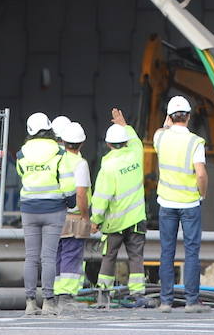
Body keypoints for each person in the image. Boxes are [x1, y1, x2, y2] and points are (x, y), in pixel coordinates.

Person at [18, 111, 77, 315]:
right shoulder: (60, 152)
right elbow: (68, 182)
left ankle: (29, 302)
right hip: (54, 209)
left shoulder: (22, 153)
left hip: (29, 209)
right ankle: (49, 302)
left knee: (31, 256)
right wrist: (70, 201)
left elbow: (21, 174)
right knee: (48, 257)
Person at [153, 95, 208, 313]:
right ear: (188, 116)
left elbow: (161, 130)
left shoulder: (160, 138)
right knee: (191, 252)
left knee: (167, 251)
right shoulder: (195, 142)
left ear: (169, 116)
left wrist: (166, 123)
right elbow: (201, 174)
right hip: (190, 204)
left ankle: (165, 301)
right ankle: (191, 301)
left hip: (166, 202)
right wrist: (201, 194)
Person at [91, 107, 146, 308]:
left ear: (107, 144)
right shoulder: (136, 153)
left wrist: (95, 220)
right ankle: (137, 294)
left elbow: (101, 197)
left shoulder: (108, 166)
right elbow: (136, 140)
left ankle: (104, 294)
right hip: (137, 219)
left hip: (114, 222)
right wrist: (125, 126)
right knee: (136, 257)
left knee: (109, 257)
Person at [51, 120, 92, 311]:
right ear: (82, 143)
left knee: (57, 254)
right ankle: (66, 296)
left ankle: (55, 293)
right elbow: (81, 193)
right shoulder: (80, 163)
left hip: (54, 214)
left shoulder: (56, 160)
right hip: (74, 216)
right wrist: (86, 217)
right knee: (71, 254)